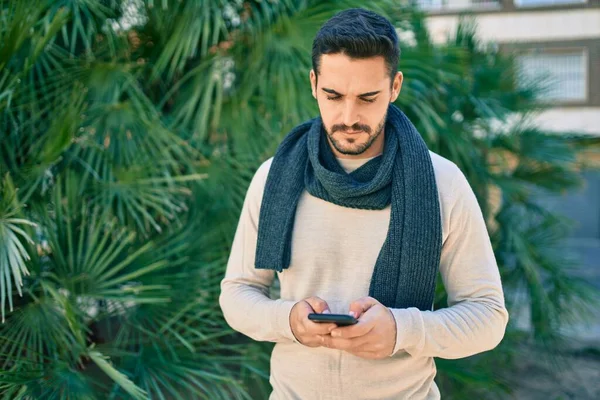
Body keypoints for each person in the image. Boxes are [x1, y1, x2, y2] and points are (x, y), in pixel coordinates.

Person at [219, 7, 509, 400]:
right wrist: (288, 320)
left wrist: (402, 331)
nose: (349, 116)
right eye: (333, 96)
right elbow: (237, 294)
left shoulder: (443, 183)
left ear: (395, 87)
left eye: (368, 97)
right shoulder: (274, 177)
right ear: (313, 83)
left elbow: (488, 316)